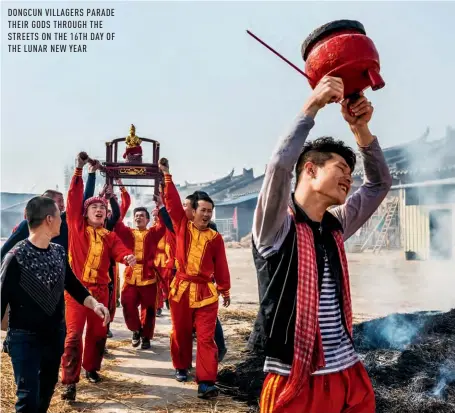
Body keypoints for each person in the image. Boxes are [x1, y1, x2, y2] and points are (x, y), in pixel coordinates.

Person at [249, 76, 392, 413]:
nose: (349, 178)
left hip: (347, 372)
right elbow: (279, 168)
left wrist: (361, 131)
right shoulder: (276, 227)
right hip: (295, 379)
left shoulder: (335, 224)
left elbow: (379, 184)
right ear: (310, 170)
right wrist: (312, 106)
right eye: (341, 168)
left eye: (351, 172)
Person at [1, 196, 110, 413]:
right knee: (27, 397)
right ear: (49, 220)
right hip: (24, 338)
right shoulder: (16, 257)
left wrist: (94, 303)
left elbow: (73, 284)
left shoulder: (59, 252)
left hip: (54, 335)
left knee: (46, 390)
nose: (63, 221)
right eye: (60, 217)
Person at [61, 154, 136, 401]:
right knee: (73, 336)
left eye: (102, 208)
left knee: (98, 334)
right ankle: (69, 382)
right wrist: (79, 170)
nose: (100, 210)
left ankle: (91, 368)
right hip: (77, 293)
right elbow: (73, 201)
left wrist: (127, 258)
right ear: (85, 213)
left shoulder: (109, 236)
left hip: (102, 291)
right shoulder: (76, 227)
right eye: (94, 207)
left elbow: (120, 251)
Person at [159, 161, 231, 399]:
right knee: (179, 333)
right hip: (180, 290)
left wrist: (225, 289)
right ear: (193, 211)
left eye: (210, 211)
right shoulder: (182, 226)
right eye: (203, 210)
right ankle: (181, 366)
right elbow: (171, 204)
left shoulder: (215, 238)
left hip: (206, 294)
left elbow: (221, 265)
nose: (207, 215)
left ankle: (206, 382)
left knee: (206, 338)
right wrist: (167, 175)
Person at [113, 190, 166, 350]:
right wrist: (117, 203)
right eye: (136, 215)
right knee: (127, 304)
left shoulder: (153, 232)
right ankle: (135, 330)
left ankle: (146, 337)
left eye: (142, 215)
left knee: (149, 310)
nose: (138, 217)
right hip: (131, 276)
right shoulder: (128, 232)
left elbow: (163, 225)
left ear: (148, 219)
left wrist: (160, 205)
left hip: (148, 276)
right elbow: (117, 223)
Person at [183, 192, 228, 362]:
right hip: (181, 281)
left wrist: (223, 288)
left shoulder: (211, 230)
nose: (185, 209)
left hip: (203, 281)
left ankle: (219, 348)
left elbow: (216, 260)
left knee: (209, 319)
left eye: (187, 206)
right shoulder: (182, 227)